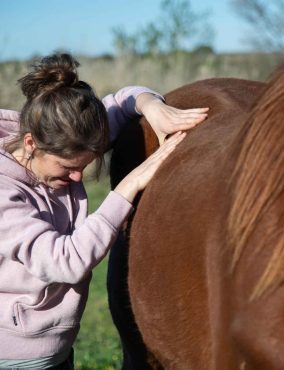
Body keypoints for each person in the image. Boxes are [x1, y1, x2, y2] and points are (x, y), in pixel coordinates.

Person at [0, 53, 208, 369]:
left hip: (55, 346)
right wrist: (129, 185)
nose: (77, 178)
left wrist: (152, 105)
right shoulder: (5, 193)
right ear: (30, 143)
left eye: (85, 166)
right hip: (17, 354)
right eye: (67, 168)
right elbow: (63, 262)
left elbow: (125, 99)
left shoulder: (67, 131)